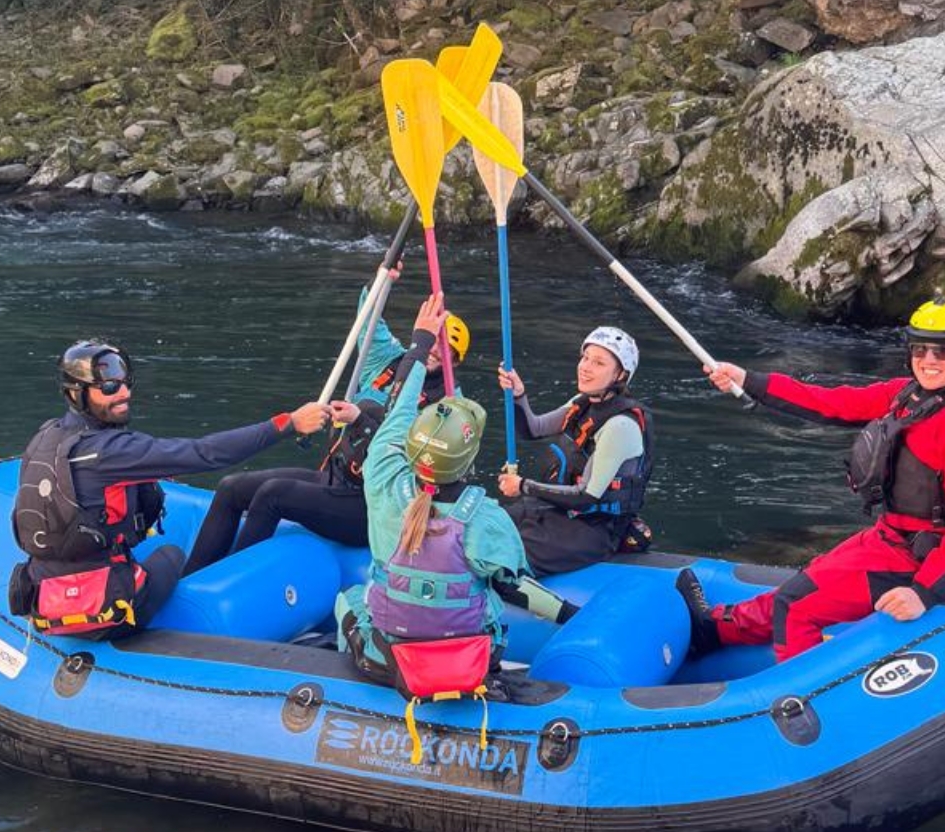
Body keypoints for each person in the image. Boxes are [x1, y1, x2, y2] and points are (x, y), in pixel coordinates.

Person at [675, 296, 945, 662]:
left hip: (921, 557)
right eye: (921, 348)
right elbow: (830, 402)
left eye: (944, 352)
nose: (929, 360)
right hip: (891, 537)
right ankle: (716, 629)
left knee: (797, 607)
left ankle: (799, 706)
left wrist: (923, 592)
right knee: (807, 581)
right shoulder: (907, 395)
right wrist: (748, 380)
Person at [8, 340, 333, 639]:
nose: (123, 393)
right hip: (100, 612)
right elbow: (206, 453)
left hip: (45, 599)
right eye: (108, 387)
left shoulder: (44, 437)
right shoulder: (111, 451)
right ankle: (192, 610)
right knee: (171, 555)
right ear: (77, 392)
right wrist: (287, 423)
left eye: (125, 382)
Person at [182, 276, 472, 575]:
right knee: (231, 488)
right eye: (434, 338)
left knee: (272, 495)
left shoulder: (448, 408)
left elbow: (397, 446)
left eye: (446, 347)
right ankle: (190, 578)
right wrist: (385, 277)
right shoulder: (386, 360)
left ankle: (227, 581)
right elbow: (368, 315)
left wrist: (360, 419)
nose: (437, 349)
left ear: (456, 361)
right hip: (336, 479)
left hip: (372, 507)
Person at [336, 294, 529, 697]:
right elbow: (515, 582)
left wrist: (421, 342)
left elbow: (398, 413)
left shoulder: (382, 476)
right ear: (468, 458)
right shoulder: (486, 517)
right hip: (468, 658)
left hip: (386, 657)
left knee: (350, 600)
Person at [494, 326, 654, 575]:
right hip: (558, 510)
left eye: (599, 363)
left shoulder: (620, 425)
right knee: (483, 526)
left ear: (620, 375)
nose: (586, 367)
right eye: (585, 357)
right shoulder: (582, 403)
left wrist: (523, 485)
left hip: (594, 528)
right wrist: (518, 395)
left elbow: (586, 495)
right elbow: (532, 429)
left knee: (504, 557)